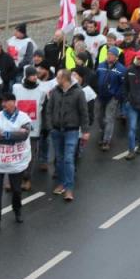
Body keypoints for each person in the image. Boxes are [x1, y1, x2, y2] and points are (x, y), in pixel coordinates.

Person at [0, 93, 32, 230]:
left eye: (6, 101)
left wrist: (5, 134)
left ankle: (17, 210)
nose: (3, 104)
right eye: (2, 102)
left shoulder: (24, 117)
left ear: (13, 102)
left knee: (16, 189)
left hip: (16, 161)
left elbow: (24, 135)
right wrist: (13, 135)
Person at [44, 69, 90, 202]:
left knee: (69, 159)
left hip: (72, 130)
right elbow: (49, 109)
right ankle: (62, 183)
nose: (56, 79)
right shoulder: (55, 92)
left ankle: (69, 188)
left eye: (58, 77)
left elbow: (83, 112)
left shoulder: (78, 92)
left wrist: (85, 131)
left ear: (65, 78)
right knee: (59, 159)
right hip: (56, 130)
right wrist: (50, 126)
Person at [11, 66, 47, 191]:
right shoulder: (16, 88)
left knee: (29, 155)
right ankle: (12, 179)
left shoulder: (41, 90)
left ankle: (26, 179)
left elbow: (45, 109)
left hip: (34, 128)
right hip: (17, 127)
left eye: (36, 75)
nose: (35, 77)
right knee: (15, 153)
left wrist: (46, 126)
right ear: (26, 75)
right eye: (32, 75)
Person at [95, 46, 126, 151]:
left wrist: (117, 95)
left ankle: (106, 141)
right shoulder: (101, 66)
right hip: (100, 96)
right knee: (99, 117)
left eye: (112, 55)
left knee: (109, 119)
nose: (109, 56)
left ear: (116, 57)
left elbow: (123, 85)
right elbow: (96, 78)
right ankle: (103, 132)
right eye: (108, 54)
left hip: (112, 97)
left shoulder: (121, 69)